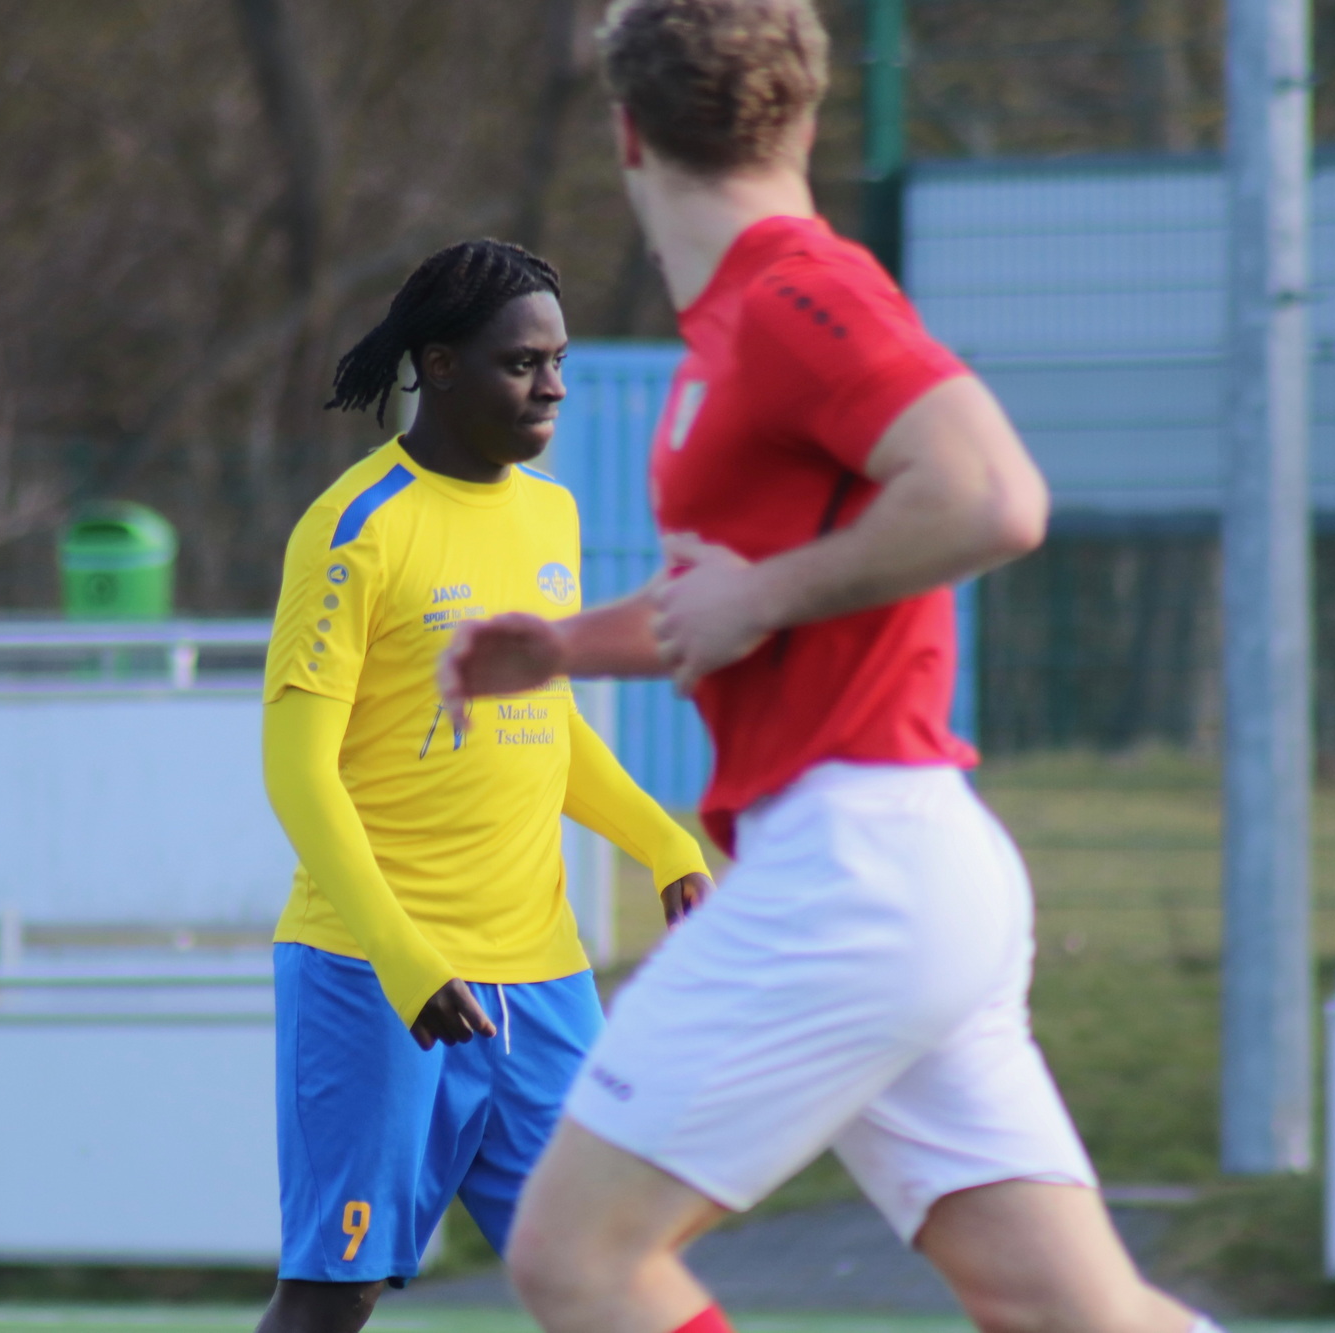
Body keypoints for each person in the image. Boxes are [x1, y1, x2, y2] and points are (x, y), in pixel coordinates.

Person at [438, 8, 1219, 1333]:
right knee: (1074, 1313)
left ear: (625, 135)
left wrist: (763, 592)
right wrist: (566, 646)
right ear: (804, 116)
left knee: (576, 1257)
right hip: (910, 871)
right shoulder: (749, 324)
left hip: (852, 871)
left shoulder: (797, 295)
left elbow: (993, 495)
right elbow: (742, 602)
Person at [258, 238, 715, 1333]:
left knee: (612, 1266)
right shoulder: (355, 528)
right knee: (331, 1298)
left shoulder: (551, 514)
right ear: (440, 365)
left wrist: (662, 840)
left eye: (558, 362)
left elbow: (544, 722)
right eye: (522, 363)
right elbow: (296, 769)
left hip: (543, 979)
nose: (551, 386)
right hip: (377, 976)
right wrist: (402, 956)